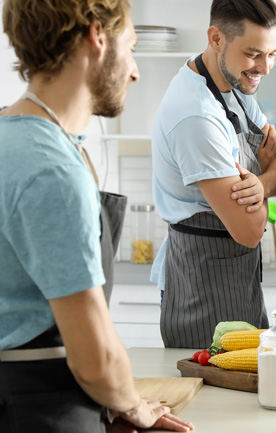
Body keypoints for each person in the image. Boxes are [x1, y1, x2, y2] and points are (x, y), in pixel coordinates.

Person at [0, 0, 193, 431]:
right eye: (132, 46)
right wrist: (134, 405)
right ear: (97, 37)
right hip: (43, 411)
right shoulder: (52, 168)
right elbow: (95, 360)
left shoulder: (14, 137)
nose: (135, 71)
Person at [151, 0, 276, 348]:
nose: (265, 67)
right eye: (254, 54)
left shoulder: (234, 89)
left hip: (235, 274)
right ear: (216, 38)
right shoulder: (197, 117)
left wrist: (258, 185)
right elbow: (249, 229)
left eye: (272, 53)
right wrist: (266, 181)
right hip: (202, 284)